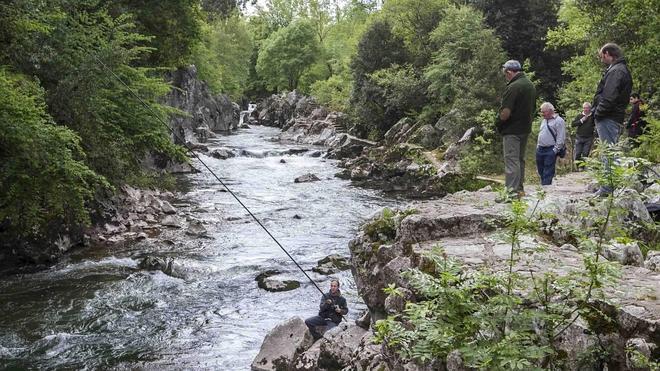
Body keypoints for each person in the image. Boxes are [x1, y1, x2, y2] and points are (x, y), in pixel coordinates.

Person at [592, 43, 633, 196]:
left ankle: (607, 189)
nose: (601, 59)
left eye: (602, 56)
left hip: (608, 117)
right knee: (610, 151)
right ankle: (608, 187)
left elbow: (609, 97)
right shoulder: (620, 69)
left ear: (608, 53)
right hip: (612, 116)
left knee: (608, 152)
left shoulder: (616, 71)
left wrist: (598, 113)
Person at [495, 60, 536, 200]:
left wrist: (498, 123)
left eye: (505, 73)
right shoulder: (530, 85)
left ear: (509, 72)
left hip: (512, 130)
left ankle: (511, 193)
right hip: (525, 128)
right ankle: (519, 190)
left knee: (511, 161)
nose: (505, 76)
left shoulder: (513, 87)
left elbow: (505, 112)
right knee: (520, 160)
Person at [536, 102, 566, 185]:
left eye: (543, 112)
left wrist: (555, 150)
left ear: (550, 111)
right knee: (540, 170)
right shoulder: (544, 121)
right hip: (540, 149)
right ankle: (543, 186)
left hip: (550, 149)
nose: (542, 114)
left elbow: (561, 137)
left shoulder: (559, 121)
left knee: (548, 171)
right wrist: (538, 147)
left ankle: (546, 188)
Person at [572, 102, 596, 168]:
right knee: (578, 153)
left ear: (590, 109)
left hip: (588, 138)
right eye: (584, 108)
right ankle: (578, 166)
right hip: (579, 137)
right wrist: (581, 120)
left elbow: (596, 125)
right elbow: (573, 124)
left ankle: (582, 167)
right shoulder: (579, 116)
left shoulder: (592, 117)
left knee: (585, 153)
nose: (585, 109)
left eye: (587, 108)